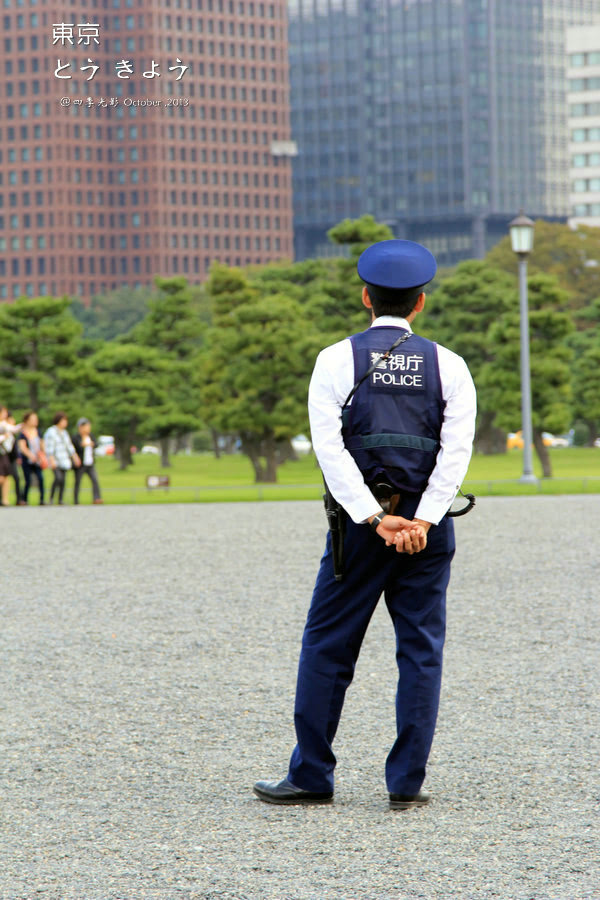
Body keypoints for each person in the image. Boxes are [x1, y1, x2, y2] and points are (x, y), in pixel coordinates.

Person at [254, 239, 477, 810]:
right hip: (427, 531)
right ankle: (406, 784)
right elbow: (456, 454)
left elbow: (328, 450)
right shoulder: (449, 364)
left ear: (364, 297)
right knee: (421, 649)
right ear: (420, 303)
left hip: (358, 529)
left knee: (328, 645)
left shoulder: (335, 359)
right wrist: (421, 519)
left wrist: (376, 517)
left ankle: (311, 775)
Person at [44, 412, 80, 506]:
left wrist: (75, 457)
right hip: (55, 459)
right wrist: (51, 459)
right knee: (58, 478)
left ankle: (60, 499)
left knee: (63, 479)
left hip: (64, 459)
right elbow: (49, 447)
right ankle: (51, 498)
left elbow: (69, 447)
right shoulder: (51, 432)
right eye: (64, 420)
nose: (65, 423)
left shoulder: (64, 432)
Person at [72, 417, 103, 505]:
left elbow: (96, 444)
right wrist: (83, 445)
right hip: (80, 463)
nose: (88, 428)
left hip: (90, 462)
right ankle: (76, 500)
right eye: (86, 426)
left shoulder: (90, 436)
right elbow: (75, 448)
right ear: (80, 427)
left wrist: (92, 444)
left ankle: (96, 498)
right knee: (78, 481)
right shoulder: (76, 437)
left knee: (95, 480)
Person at [18, 411, 46, 505]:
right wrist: (30, 455)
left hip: (37, 460)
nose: (35, 421)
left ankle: (42, 499)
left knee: (41, 478)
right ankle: (24, 499)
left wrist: (42, 454)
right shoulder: (23, 433)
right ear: (27, 421)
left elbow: (42, 444)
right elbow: (22, 447)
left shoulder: (38, 431)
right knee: (28, 480)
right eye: (33, 419)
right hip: (27, 461)